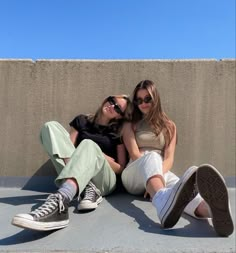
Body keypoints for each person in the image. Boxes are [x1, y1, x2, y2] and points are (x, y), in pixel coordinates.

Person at [121, 80, 234, 237]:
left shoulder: (169, 126)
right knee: (152, 157)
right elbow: (134, 154)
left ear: (156, 99)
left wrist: (156, 177)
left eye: (148, 99)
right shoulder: (130, 125)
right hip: (134, 174)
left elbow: (169, 158)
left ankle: (211, 210)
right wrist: (152, 178)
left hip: (159, 172)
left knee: (182, 189)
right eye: (139, 100)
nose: (143, 104)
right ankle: (161, 201)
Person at [12, 94, 132, 231]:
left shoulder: (117, 132)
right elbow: (68, 149)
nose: (112, 106)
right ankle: (82, 185)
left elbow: (121, 168)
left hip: (104, 180)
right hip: (78, 169)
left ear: (120, 116)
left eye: (117, 108)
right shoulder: (82, 121)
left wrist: (99, 155)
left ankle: (61, 201)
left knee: (88, 144)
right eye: (112, 101)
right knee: (50, 126)